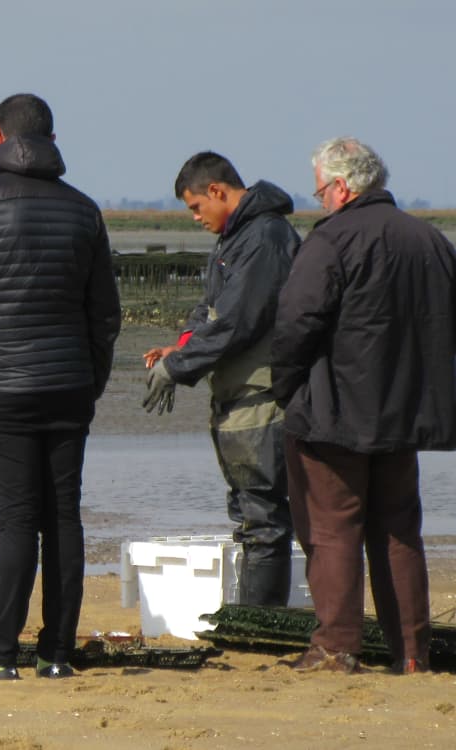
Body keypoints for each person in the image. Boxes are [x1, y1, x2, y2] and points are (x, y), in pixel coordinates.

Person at [0, 93, 121, 683]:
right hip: (69, 385)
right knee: (63, 516)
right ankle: (56, 654)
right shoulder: (85, 210)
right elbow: (106, 314)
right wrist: (90, 379)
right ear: (52, 139)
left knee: (16, 521)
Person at [272, 137, 456, 674]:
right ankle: (413, 654)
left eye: (321, 189)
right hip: (405, 412)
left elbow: (295, 324)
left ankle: (336, 648)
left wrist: (288, 389)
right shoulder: (430, 239)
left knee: (332, 530)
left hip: (336, 413)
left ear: (342, 187)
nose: (319, 199)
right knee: (398, 530)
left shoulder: (331, 241)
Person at [142, 152, 299, 606]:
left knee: (264, 520)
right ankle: (257, 619)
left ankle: (260, 626)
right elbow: (210, 308)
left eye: (195, 207)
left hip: (261, 397)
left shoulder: (265, 237)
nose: (195, 218)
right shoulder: (236, 237)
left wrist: (178, 368)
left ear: (217, 191)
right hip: (238, 396)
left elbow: (237, 321)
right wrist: (182, 347)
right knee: (252, 516)